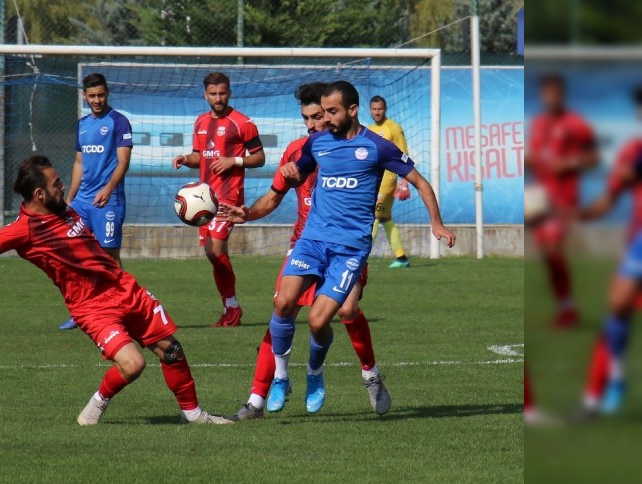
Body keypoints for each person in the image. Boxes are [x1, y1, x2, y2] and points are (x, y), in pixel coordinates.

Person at [0, 155, 231, 425]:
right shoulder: (23, 230)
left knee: (172, 350)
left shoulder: (64, 207)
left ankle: (195, 416)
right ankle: (97, 405)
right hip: (91, 307)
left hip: (122, 286)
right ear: (39, 195)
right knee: (133, 365)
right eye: (55, 183)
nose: (62, 185)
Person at [262, 81, 455, 415]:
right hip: (312, 240)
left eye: (332, 112)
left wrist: (436, 223)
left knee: (320, 321)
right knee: (283, 301)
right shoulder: (317, 143)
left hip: (349, 249)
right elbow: (297, 173)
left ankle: (315, 373)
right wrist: (292, 172)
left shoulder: (377, 147)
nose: (325, 119)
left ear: (352, 110)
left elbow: (420, 182)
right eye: (322, 112)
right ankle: (280, 377)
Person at [218, 82, 378, 419]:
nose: (311, 125)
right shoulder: (297, 151)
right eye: (306, 118)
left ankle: (370, 374)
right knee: (282, 307)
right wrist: (247, 213)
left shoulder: (356, 147)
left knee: (348, 309)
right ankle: (258, 399)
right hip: (305, 244)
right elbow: (273, 197)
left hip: (345, 245)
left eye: (318, 116)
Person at [173, 72, 266, 327]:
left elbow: (260, 158)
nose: (218, 98)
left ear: (230, 93)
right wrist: (185, 158)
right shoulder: (201, 122)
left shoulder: (242, 123)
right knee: (214, 254)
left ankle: (233, 308)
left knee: (213, 251)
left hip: (227, 197)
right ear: (205, 95)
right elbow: (199, 156)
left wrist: (233, 160)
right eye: (213, 94)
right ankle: (230, 308)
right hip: (204, 198)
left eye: (222, 93)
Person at [573, 86, 642, 419]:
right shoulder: (634, 151)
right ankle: (603, 389)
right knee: (617, 308)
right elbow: (613, 193)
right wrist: (584, 215)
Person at [60, 73, 133, 331]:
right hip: (82, 202)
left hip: (108, 201)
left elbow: (123, 161)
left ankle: (124, 309)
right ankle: (82, 312)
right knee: (75, 254)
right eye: (92, 96)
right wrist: (69, 199)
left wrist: (108, 188)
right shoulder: (82, 124)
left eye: (101, 95)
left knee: (109, 257)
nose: (97, 100)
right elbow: (79, 163)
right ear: (84, 96)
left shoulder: (119, 122)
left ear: (107, 93)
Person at [527, 73, 599, 328]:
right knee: (548, 255)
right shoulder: (538, 124)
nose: (551, 97)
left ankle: (568, 308)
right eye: (547, 93)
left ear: (562, 95)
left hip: (563, 198)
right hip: (540, 198)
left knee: (553, 250)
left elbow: (593, 158)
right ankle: (565, 305)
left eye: (555, 93)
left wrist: (570, 162)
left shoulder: (576, 124)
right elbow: (536, 157)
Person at [368, 95, 413, 268]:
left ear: (385, 109)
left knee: (371, 217)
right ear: (370, 110)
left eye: (380, 109)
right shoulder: (370, 129)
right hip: (374, 179)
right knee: (385, 218)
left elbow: (403, 153)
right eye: (374, 109)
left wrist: (404, 182)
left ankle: (360, 256)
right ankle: (401, 258)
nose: (377, 112)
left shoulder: (394, 128)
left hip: (388, 180)